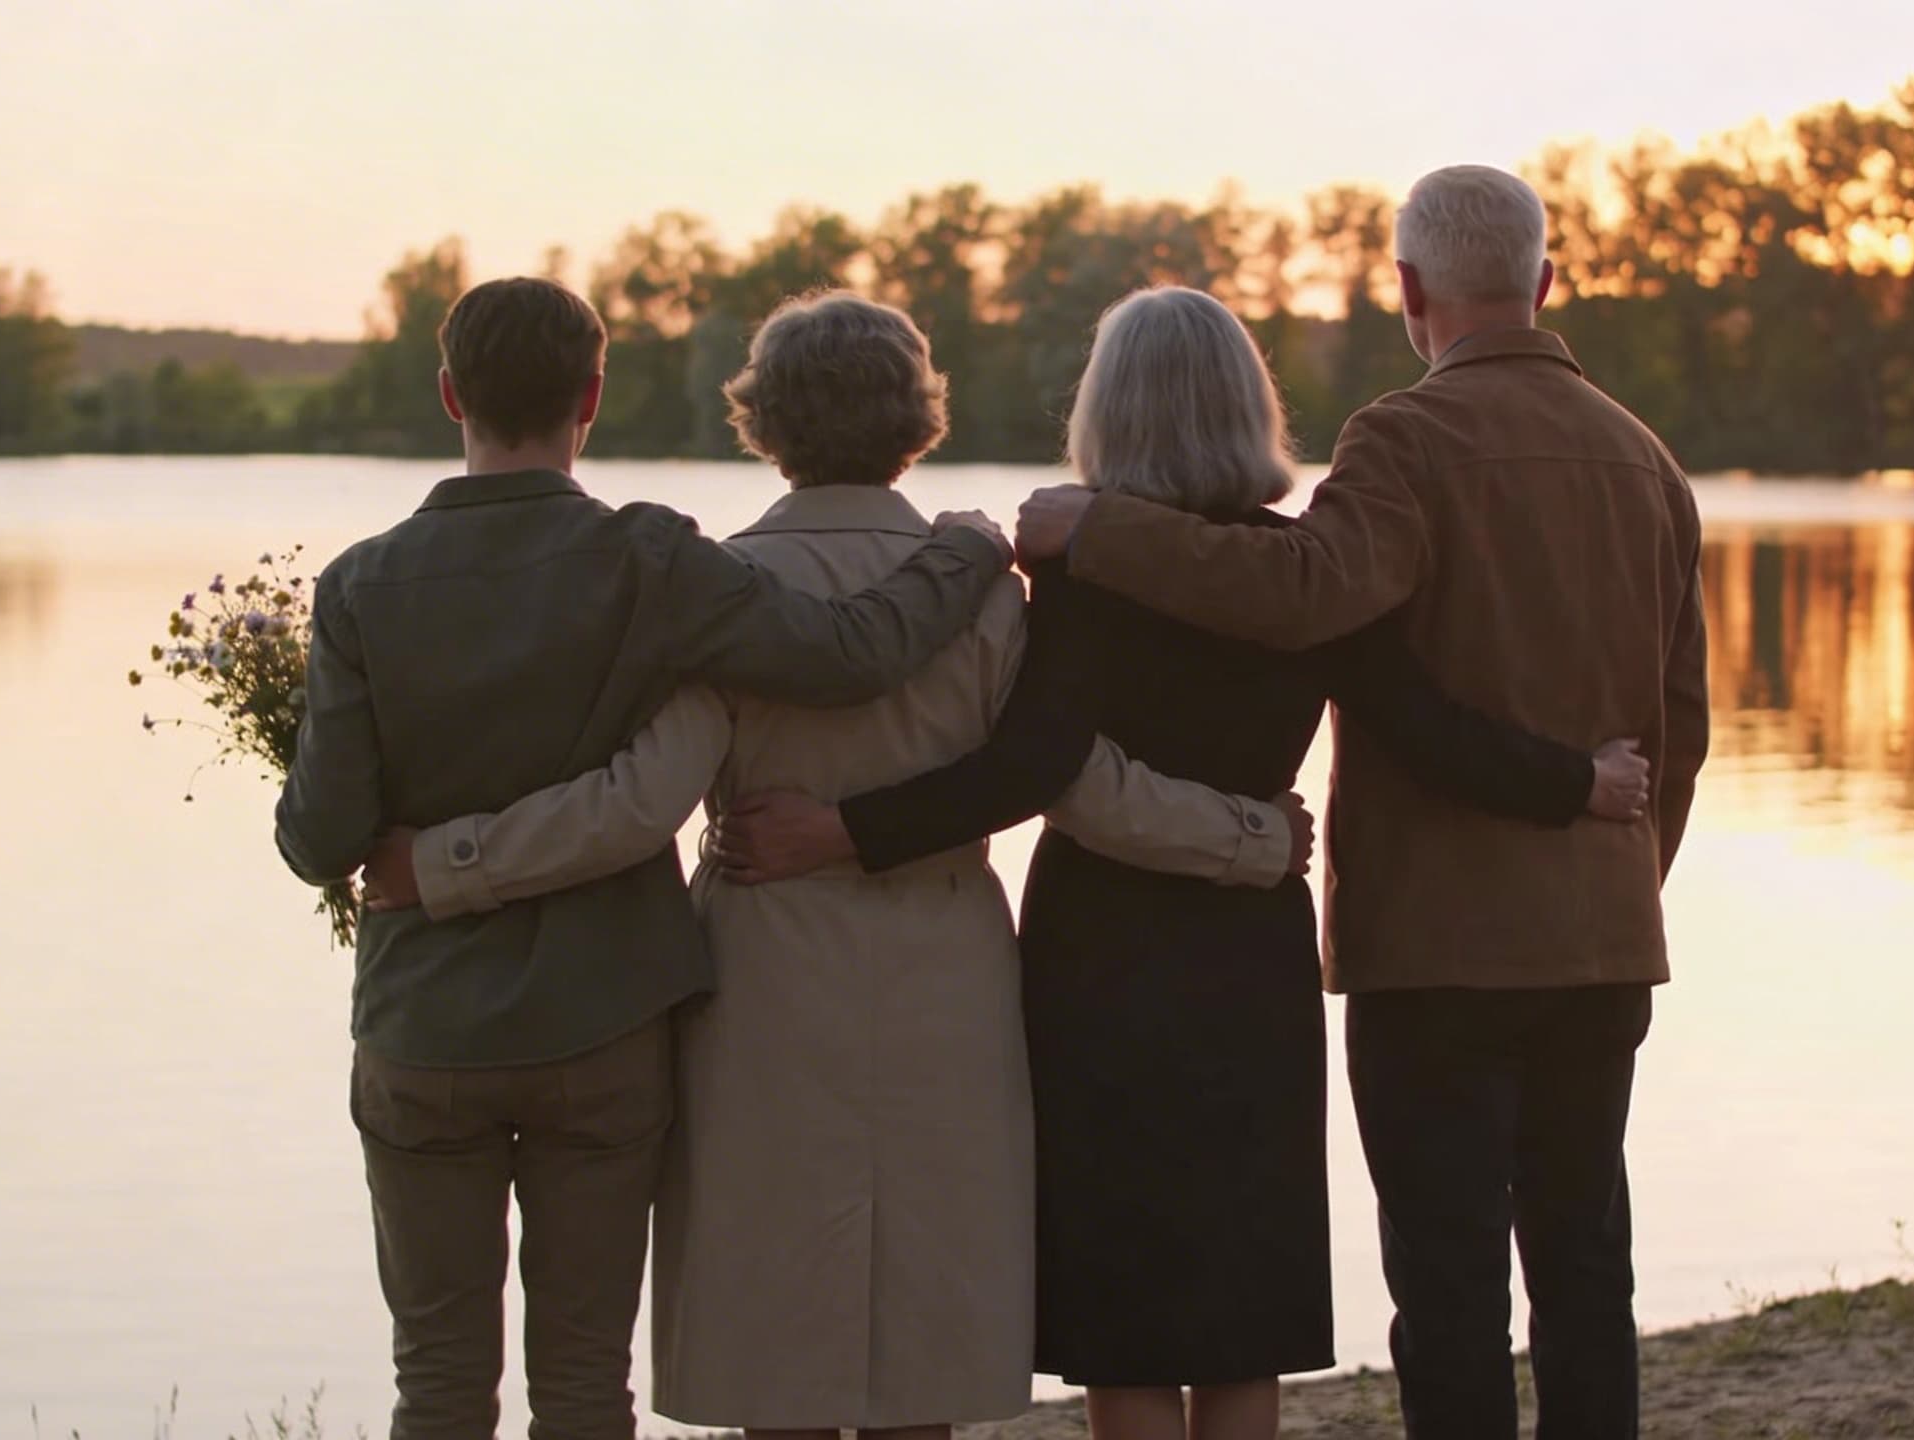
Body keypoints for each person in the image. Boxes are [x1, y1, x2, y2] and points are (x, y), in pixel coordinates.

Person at [358, 290, 1323, 1440]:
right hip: (945, 976)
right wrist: (1249, 836)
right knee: (922, 1350)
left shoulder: (716, 592)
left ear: (762, 421)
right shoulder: (980, 591)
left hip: (765, 977)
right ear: (916, 418)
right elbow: (1070, 780)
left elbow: (642, 801)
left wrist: (446, 862)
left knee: (779, 1345)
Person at [720, 285, 1652, 1440]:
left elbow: (1030, 768)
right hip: (1250, 951)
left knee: (1129, 1306)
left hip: (1099, 954)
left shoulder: (1076, 569)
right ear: (1246, 405)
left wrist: (844, 830)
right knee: (1238, 1299)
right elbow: (1425, 724)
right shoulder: (1306, 576)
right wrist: (1579, 783)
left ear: (1104, 414)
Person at [1014, 167, 1712, 1440]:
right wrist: (1620, 881)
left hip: (1437, 953)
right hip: (1603, 943)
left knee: (1446, 1286)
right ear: (1544, 282)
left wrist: (1095, 531)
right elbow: (1685, 727)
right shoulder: (1647, 460)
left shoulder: (1403, 440)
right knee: (1584, 1265)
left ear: (1406, 290)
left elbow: (1298, 591)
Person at [271, 276, 1016, 1440]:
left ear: (448, 393)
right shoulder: (652, 564)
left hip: (426, 1026)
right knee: (582, 1380)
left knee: (436, 1378)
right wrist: (971, 553)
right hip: (605, 1021)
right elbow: (846, 654)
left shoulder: (360, 585)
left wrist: (384, 825)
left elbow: (323, 842)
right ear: (594, 396)